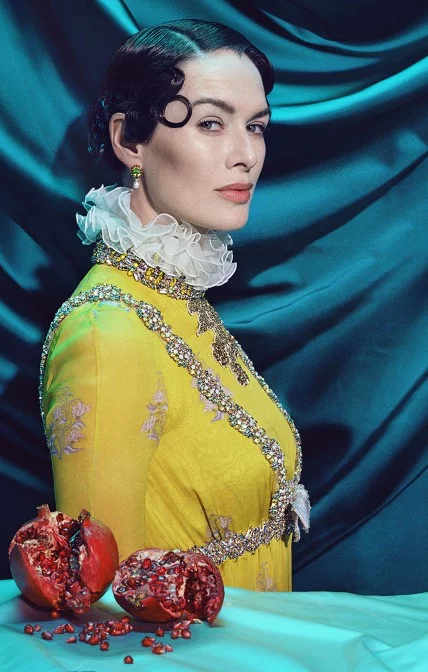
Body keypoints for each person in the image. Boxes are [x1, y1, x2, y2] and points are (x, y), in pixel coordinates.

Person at [40, 19, 310, 592]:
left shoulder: (178, 297)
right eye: (211, 123)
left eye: (256, 126)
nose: (246, 156)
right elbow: (109, 601)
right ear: (129, 141)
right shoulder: (106, 334)